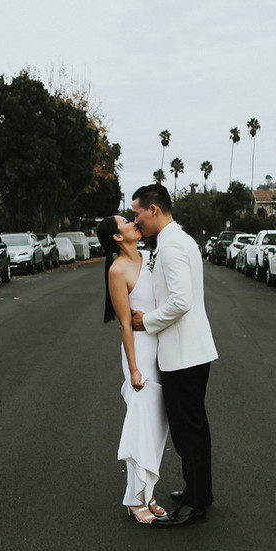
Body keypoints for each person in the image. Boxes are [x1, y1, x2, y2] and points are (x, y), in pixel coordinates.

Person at [131, 184, 218, 527]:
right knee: (195, 426)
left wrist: (146, 322)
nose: (135, 220)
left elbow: (181, 301)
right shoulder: (176, 240)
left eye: (137, 213)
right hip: (189, 350)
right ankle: (200, 490)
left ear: (154, 209)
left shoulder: (171, 246)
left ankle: (196, 503)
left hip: (184, 353)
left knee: (188, 430)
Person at [97, 214, 169, 525]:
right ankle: (134, 498)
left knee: (156, 425)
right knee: (141, 422)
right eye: (126, 222)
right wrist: (134, 369)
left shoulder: (150, 258)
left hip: (161, 350)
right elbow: (125, 324)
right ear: (116, 236)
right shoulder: (117, 270)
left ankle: (148, 492)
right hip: (138, 352)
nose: (132, 222)